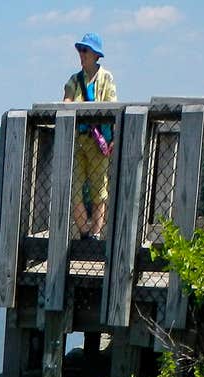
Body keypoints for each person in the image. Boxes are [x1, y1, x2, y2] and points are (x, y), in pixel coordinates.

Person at [63, 32, 116, 238]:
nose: (81, 54)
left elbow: (111, 107)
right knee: (73, 188)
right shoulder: (74, 80)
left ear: (96, 55)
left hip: (99, 142)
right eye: (80, 50)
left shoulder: (106, 78)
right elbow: (66, 102)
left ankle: (94, 234)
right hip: (78, 141)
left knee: (98, 189)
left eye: (85, 50)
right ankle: (85, 230)